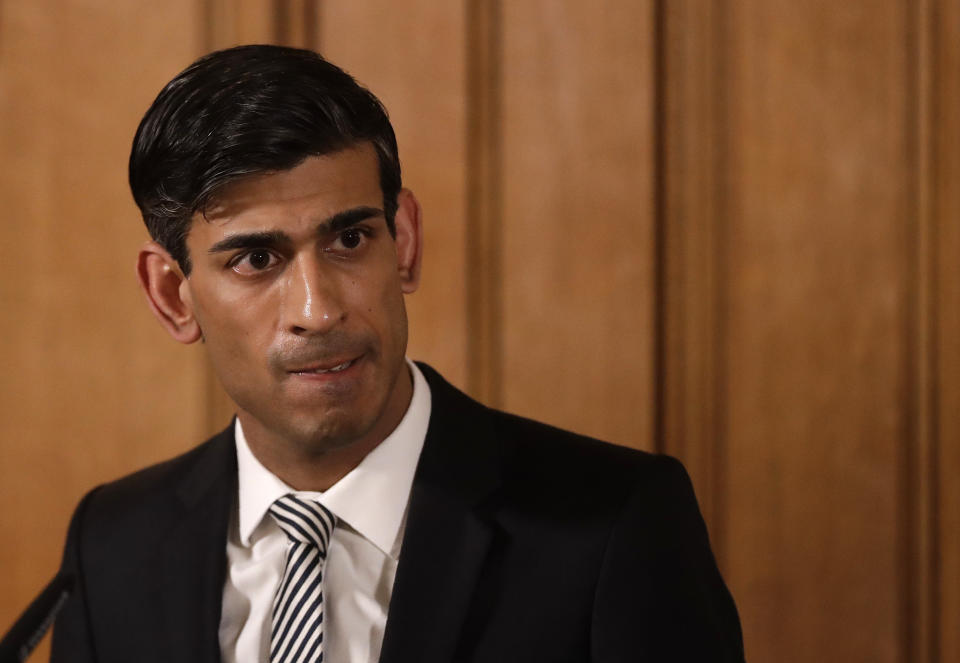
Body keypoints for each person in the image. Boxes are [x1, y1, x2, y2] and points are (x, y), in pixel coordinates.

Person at [50, 45, 745, 663]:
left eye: (350, 240)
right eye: (257, 258)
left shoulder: (614, 527)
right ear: (173, 294)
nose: (318, 311)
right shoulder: (111, 545)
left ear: (404, 241)